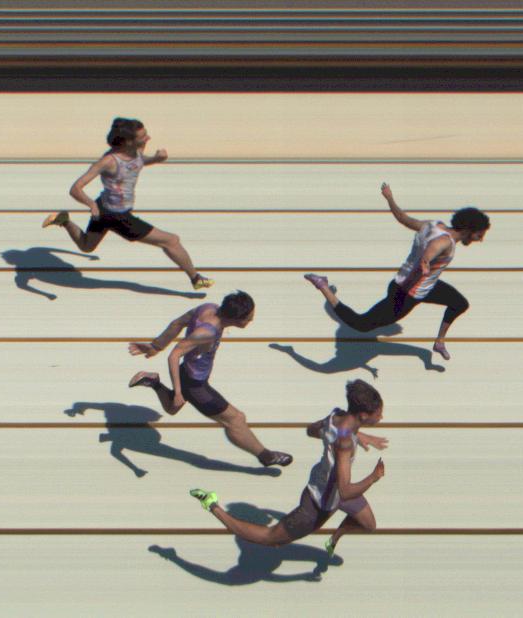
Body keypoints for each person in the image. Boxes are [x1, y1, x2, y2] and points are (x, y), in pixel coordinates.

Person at [188, 379, 388, 560]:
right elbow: (345, 491)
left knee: (368, 525)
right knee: (270, 538)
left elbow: (312, 430)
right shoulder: (345, 443)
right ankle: (212, 505)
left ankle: (334, 539)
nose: (381, 417)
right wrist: (374, 476)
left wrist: (359, 436)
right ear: (363, 415)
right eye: (378, 414)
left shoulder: (336, 417)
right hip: (320, 504)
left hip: (328, 485)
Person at [304, 182, 489, 361]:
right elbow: (433, 249)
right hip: (406, 294)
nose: (480, 239)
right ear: (468, 230)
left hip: (423, 285)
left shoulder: (433, 225)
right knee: (361, 324)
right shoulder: (445, 241)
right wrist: (425, 262)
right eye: (479, 235)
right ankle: (323, 286)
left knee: (460, 303)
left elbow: (403, 218)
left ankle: (439, 342)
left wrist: (390, 198)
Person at [41, 117, 214, 289]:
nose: (148, 138)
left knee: (86, 246)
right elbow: (75, 188)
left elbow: (138, 162)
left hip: (104, 209)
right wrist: (91, 205)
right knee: (171, 241)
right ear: (128, 142)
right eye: (143, 137)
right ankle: (196, 278)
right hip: (117, 216)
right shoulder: (109, 161)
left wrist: (156, 159)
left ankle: (64, 221)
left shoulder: (136, 150)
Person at [127, 291, 293, 468]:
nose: (251, 320)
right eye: (249, 318)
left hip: (187, 373)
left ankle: (153, 382)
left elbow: (178, 322)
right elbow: (174, 355)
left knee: (172, 408)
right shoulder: (207, 332)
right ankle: (266, 456)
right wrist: (178, 392)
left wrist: (156, 346)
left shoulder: (208, 308)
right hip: (195, 385)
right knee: (235, 419)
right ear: (237, 320)